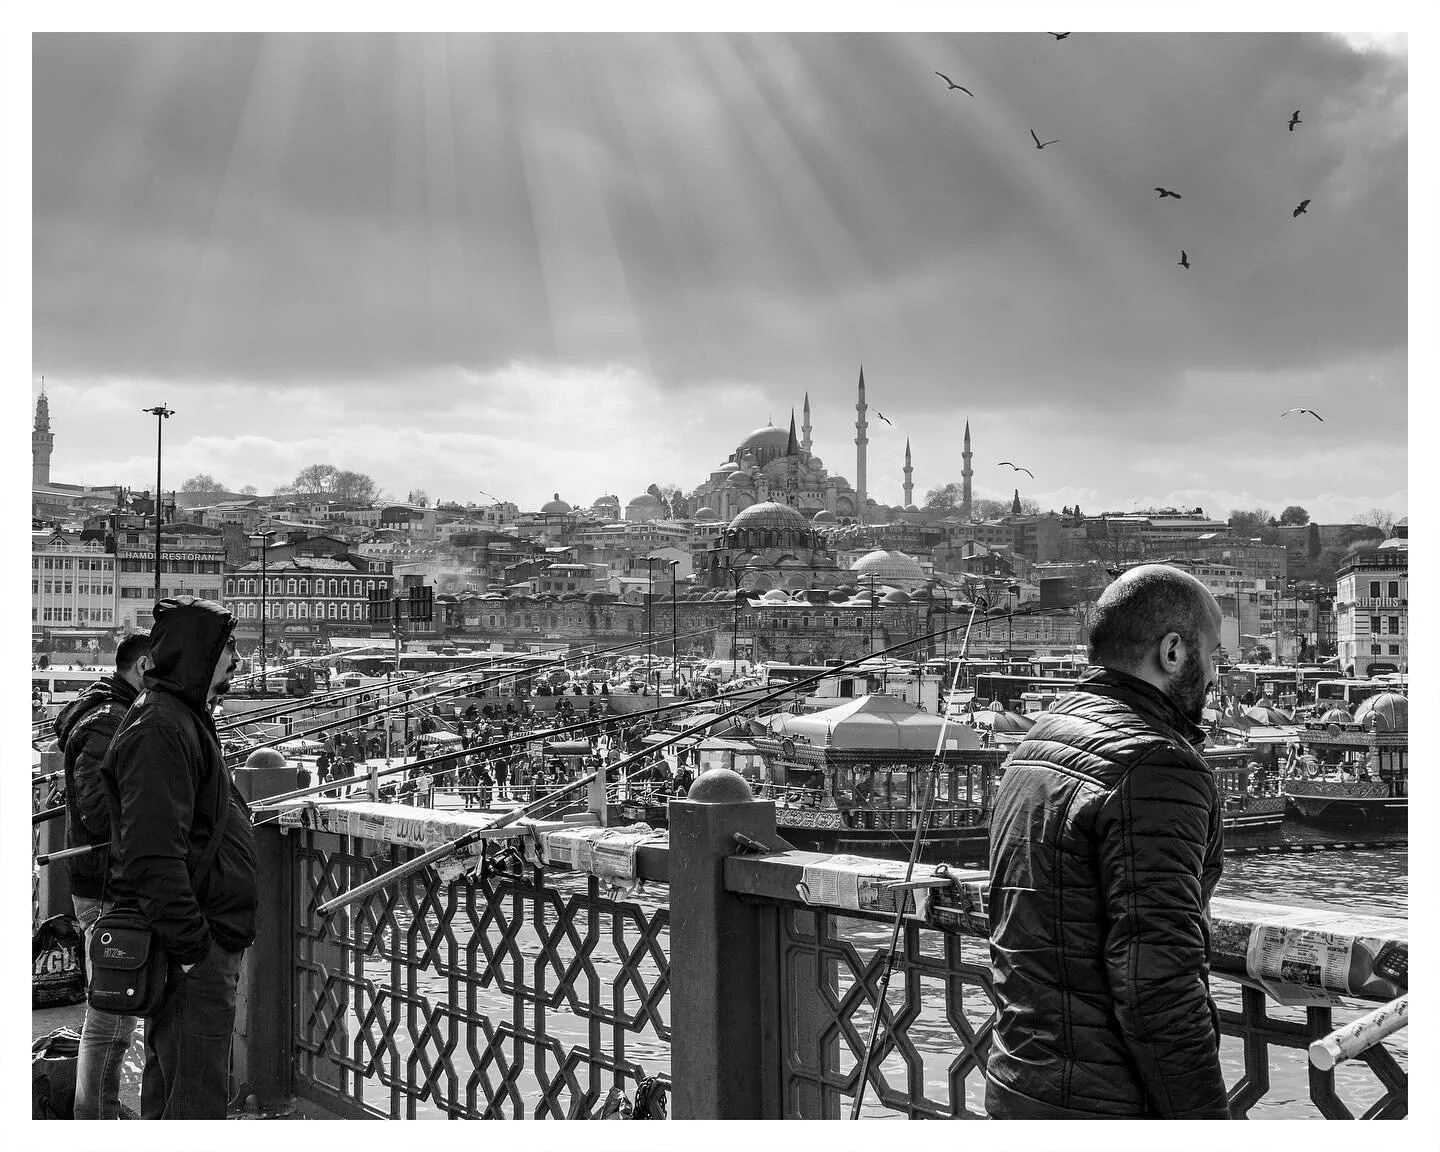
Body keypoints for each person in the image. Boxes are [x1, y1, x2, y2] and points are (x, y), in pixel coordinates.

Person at [985, 565, 1230, 1120]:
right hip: (1104, 1103)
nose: (1215, 674)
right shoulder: (1158, 765)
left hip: (1015, 1079)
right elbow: (1157, 982)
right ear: (1173, 652)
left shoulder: (1034, 742)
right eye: (1213, 655)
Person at [98, 597, 258, 1120]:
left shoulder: (180, 718)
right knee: (195, 1101)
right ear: (200, 652)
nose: (236, 658)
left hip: (199, 942)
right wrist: (193, 948)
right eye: (227, 647)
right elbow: (151, 854)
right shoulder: (161, 729)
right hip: (193, 950)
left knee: (175, 1091)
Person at [55, 631, 152, 1119]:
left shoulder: (100, 711)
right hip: (107, 883)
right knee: (112, 1011)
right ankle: (96, 1116)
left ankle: (98, 1110)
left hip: (100, 879)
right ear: (141, 668)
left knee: (115, 1004)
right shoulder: (108, 723)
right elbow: (96, 807)